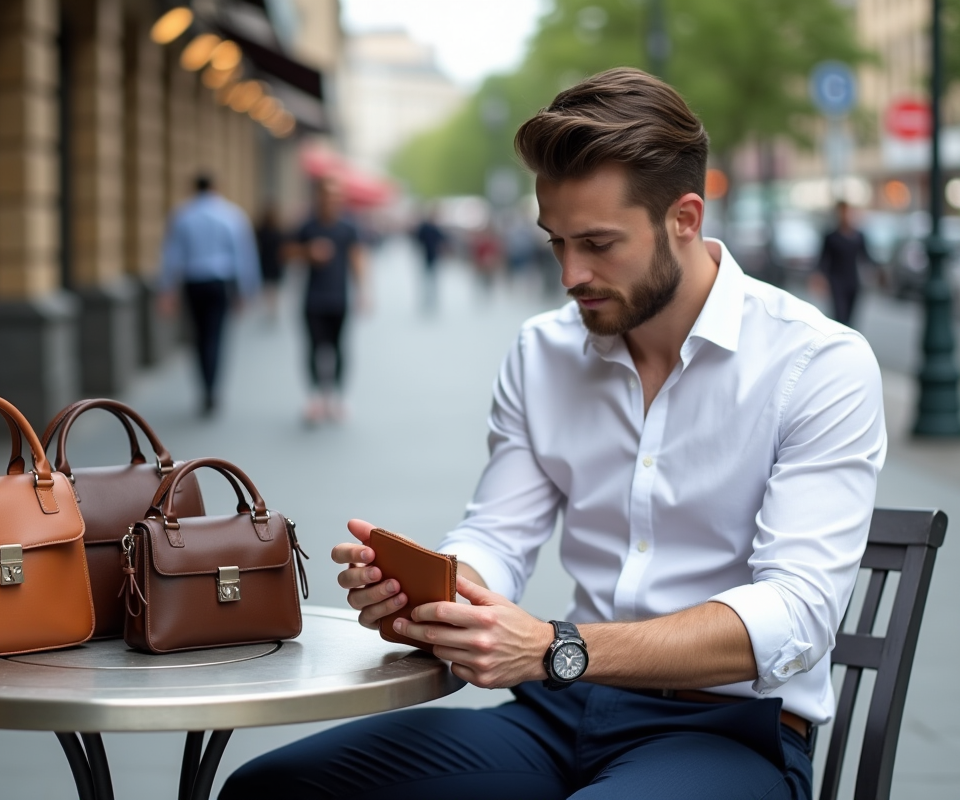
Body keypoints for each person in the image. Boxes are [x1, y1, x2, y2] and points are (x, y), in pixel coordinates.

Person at [222, 68, 885, 799]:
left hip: (728, 736)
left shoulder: (817, 363)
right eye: (556, 242)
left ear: (685, 218)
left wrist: (555, 647)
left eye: (599, 243)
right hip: (558, 715)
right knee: (275, 787)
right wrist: (437, 595)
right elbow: (498, 539)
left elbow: (796, 615)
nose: (572, 274)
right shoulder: (543, 353)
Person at [156, 173, 260, 417]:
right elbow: (244, 255)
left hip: (193, 283)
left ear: (194, 188)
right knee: (216, 336)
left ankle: (204, 387)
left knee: (199, 337)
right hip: (220, 283)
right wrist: (246, 290)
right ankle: (212, 389)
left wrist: (166, 289)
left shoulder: (182, 215)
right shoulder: (231, 215)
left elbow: (171, 255)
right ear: (215, 187)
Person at [292, 178, 368, 424]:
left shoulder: (347, 227)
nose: (331, 201)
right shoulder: (307, 226)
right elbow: (286, 251)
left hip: (339, 298)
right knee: (314, 348)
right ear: (318, 198)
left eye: (336, 197)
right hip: (313, 299)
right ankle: (315, 398)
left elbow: (356, 257)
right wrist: (308, 252)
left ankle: (336, 397)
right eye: (327, 196)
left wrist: (363, 292)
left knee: (339, 348)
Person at [817, 200, 872, 327]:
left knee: (851, 317)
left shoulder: (858, 236)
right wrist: (820, 277)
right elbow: (823, 259)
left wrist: (878, 270)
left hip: (853, 281)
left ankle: (849, 342)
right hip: (836, 281)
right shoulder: (831, 237)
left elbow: (867, 257)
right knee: (840, 316)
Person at [255, 202, 287, 324]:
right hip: (274, 262)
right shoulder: (278, 230)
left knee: (268, 287)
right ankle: (273, 308)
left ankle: (270, 307)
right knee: (273, 287)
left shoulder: (261, 230)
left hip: (266, 261)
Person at [414, 208, 447, 310]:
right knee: (428, 279)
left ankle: (431, 299)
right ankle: (428, 299)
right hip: (427, 256)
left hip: (432, 256)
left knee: (431, 279)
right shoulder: (426, 227)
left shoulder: (431, 227)